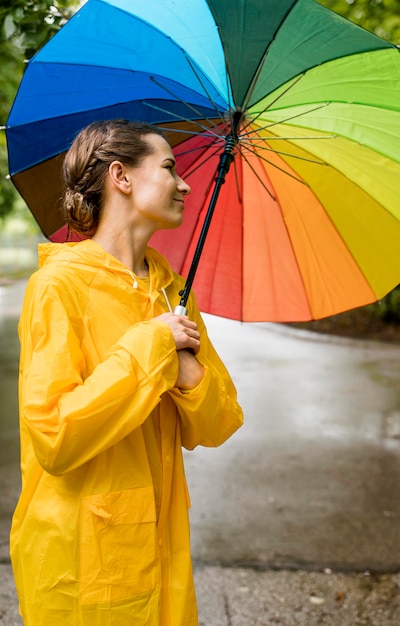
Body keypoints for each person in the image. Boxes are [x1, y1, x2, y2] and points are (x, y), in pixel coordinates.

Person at [11, 119, 243, 626]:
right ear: (121, 176)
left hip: (162, 550)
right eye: (169, 167)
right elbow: (54, 436)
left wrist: (188, 375)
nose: (184, 184)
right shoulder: (58, 287)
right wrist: (155, 343)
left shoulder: (171, 289)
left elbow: (220, 423)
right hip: (79, 558)